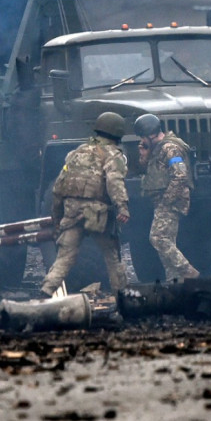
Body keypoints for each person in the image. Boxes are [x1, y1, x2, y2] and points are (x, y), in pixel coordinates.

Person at [40, 111, 131, 297]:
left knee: (64, 258)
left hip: (72, 211)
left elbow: (59, 185)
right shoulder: (114, 155)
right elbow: (114, 181)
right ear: (118, 133)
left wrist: (57, 216)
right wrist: (122, 207)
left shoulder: (76, 153)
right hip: (97, 214)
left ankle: (45, 292)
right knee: (111, 255)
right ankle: (122, 297)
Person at [134, 113, 200, 281]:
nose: (142, 140)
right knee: (167, 246)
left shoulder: (170, 148)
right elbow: (152, 171)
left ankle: (188, 271)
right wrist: (144, 155)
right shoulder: (158, 149)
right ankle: (176, 282)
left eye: (143, 137)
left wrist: (167, 201)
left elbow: (180, 176)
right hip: (163, 200)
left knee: (158, 238)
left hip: (171, 200)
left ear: (151, 134)